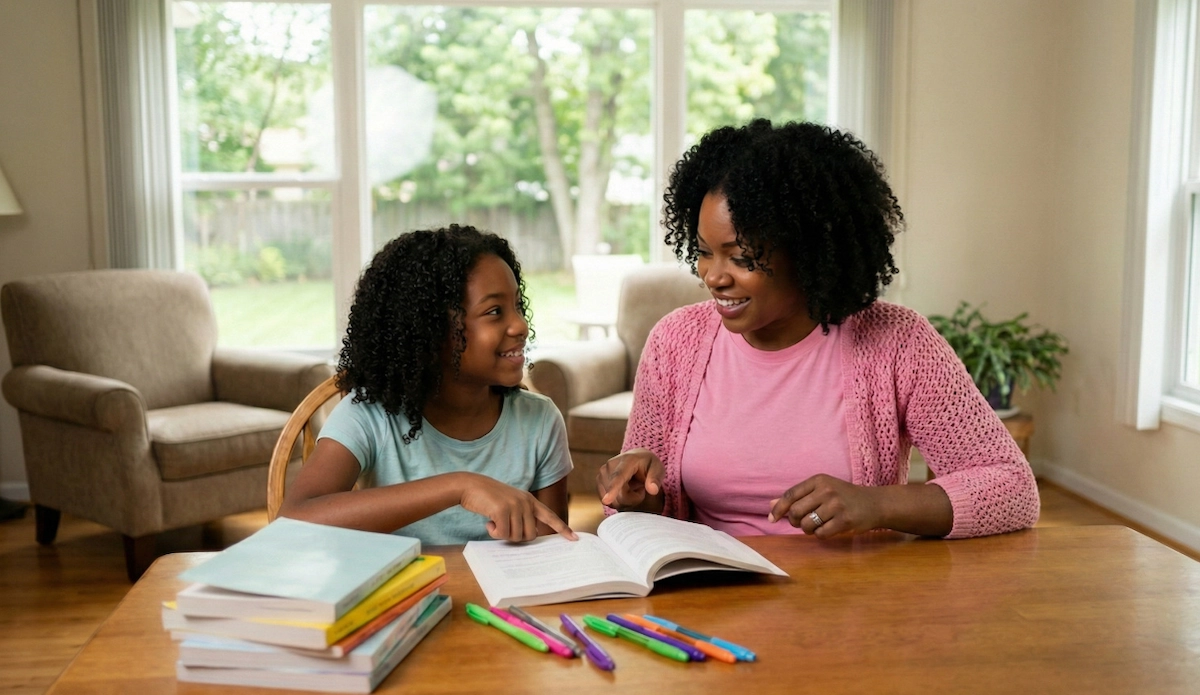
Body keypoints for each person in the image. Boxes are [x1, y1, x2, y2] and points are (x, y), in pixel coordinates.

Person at [597, 120, 1039, 539]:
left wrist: (877, 505)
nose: (714, 276)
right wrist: (636, 497)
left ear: (807, 252)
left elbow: (1014, 491)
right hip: (709, 595)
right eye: (704, 252)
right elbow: (643, 508)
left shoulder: (898, 341)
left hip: (850, 598)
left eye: (742, 257)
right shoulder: (675, 341)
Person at [280, 225, 576, 546]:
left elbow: (553, 548)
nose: (520, 325)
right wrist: (459, 487)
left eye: (518, 306)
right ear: (429, 331)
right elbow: (294, 520)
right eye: (494, 312)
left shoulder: (540, 420)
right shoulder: (369, 415)